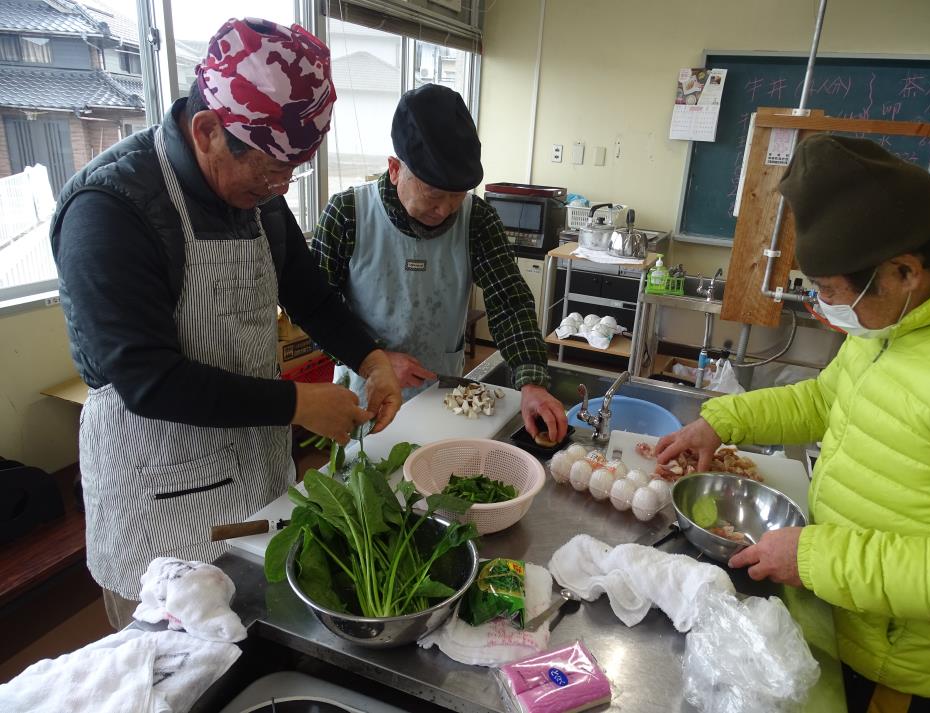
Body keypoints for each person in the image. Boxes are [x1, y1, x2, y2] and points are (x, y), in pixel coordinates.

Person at [50, 18, 401, 629]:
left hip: (253, 483)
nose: (278, 188)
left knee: (255, 647)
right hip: (156, 502)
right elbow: (148, 379)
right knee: (175, 677)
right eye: (268, 172)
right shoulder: (112, 210)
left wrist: (372, 361)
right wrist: (297, 403)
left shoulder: (258, 199)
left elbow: (311, 299)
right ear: (209, 130)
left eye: (290, 174)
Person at [656, 134, 930, 707]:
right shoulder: (892, 325)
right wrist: (720, 421)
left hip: (906, 673)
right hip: (841, 623)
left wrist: (816, 557)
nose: (824, 308)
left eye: (832, 293)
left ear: (904, 271)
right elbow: (825, 401)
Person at [311, 83, 568, 443]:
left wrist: (532, 381)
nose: (445, 209)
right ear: (395, 169)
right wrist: (374, 358)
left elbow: (509, 303)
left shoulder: (477, 219)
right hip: (363, 393)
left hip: (443, 397)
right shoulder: (348, 214)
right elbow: (316, 314)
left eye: (456, 196)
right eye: (433, 195)